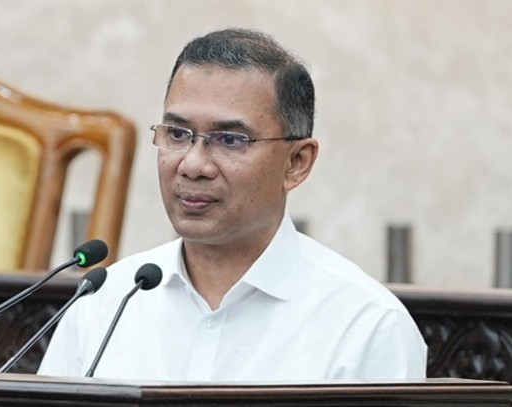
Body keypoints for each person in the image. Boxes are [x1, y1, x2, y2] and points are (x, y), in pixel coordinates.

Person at [38, 28, 427, 382]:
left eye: (229, 140)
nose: (193, 165)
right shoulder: (103, 303)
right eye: (177, 134)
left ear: (297, 163)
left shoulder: (366, 325)